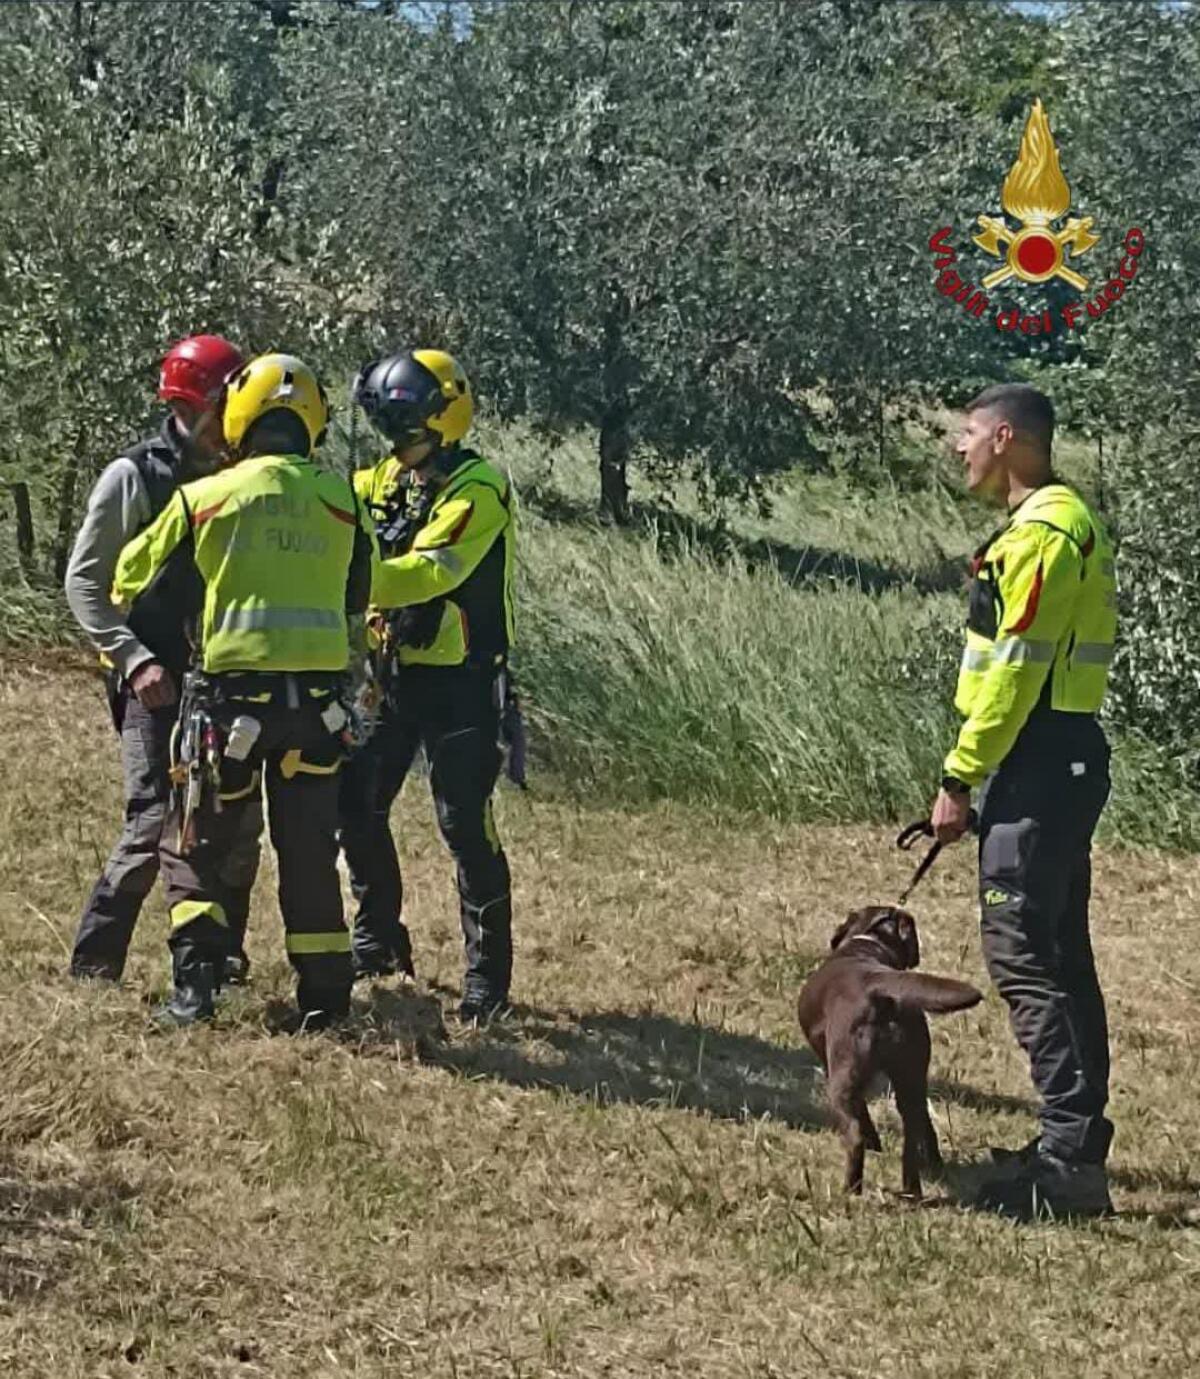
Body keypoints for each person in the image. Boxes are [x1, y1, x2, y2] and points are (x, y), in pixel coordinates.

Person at [112, 352, 375, 1027]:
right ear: (312, 423)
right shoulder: (341, 500)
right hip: (316, 713)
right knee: (311, 849)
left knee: (196, 840)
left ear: (240, 419)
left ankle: (195, 991)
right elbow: (358, 592)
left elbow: (129, 579)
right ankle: (325, 998)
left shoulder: (205, 497)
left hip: (227, 707)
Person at [930, 383, 1118, 1220]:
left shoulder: (1043, 533)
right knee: (1059, 953)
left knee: (1021, 955)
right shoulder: (1061, 520)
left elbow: (1013, 670)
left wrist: (959, 775)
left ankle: (1071, 1164)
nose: (958, 449)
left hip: (1036, 760)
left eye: (967, 434)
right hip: (1057, 758)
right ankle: (1070, 1146)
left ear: (1006, 438)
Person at [65, 334, 260, 984]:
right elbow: (84, 583)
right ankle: (94, 965)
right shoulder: (133, 476)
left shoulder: (237, 472)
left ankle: (221, 957)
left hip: (221, 677)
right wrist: (134, 659)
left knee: (231, 823)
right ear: (194, 403)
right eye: (226, 401)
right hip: (150, 678)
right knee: (154, 818)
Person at [338, 348, 517, 1023]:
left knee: (464, 826)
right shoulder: (382, 475)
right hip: (390, 675)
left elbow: (429, 571)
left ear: (446, 418)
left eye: (408, 431)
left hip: (463, 684)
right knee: (356, 801)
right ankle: (378, 942)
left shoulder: (481, 487)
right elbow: (343, 511)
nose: (398, 445)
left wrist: (347, 581)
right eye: (391, 431)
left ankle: (486, 983)